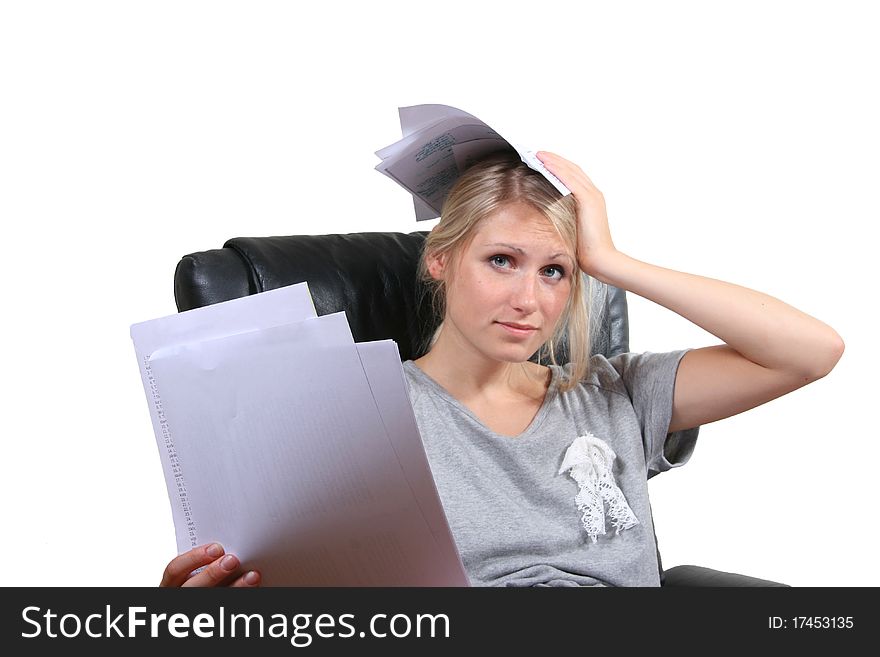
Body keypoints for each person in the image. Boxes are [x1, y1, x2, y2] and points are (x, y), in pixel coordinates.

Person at [159, 150, 845, 587]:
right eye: (501, 261)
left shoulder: (614, 393)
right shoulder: (366, 415)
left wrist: (613, 265)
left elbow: (811, 350)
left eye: (555, 272)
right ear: (440, 258)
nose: (530, 300)